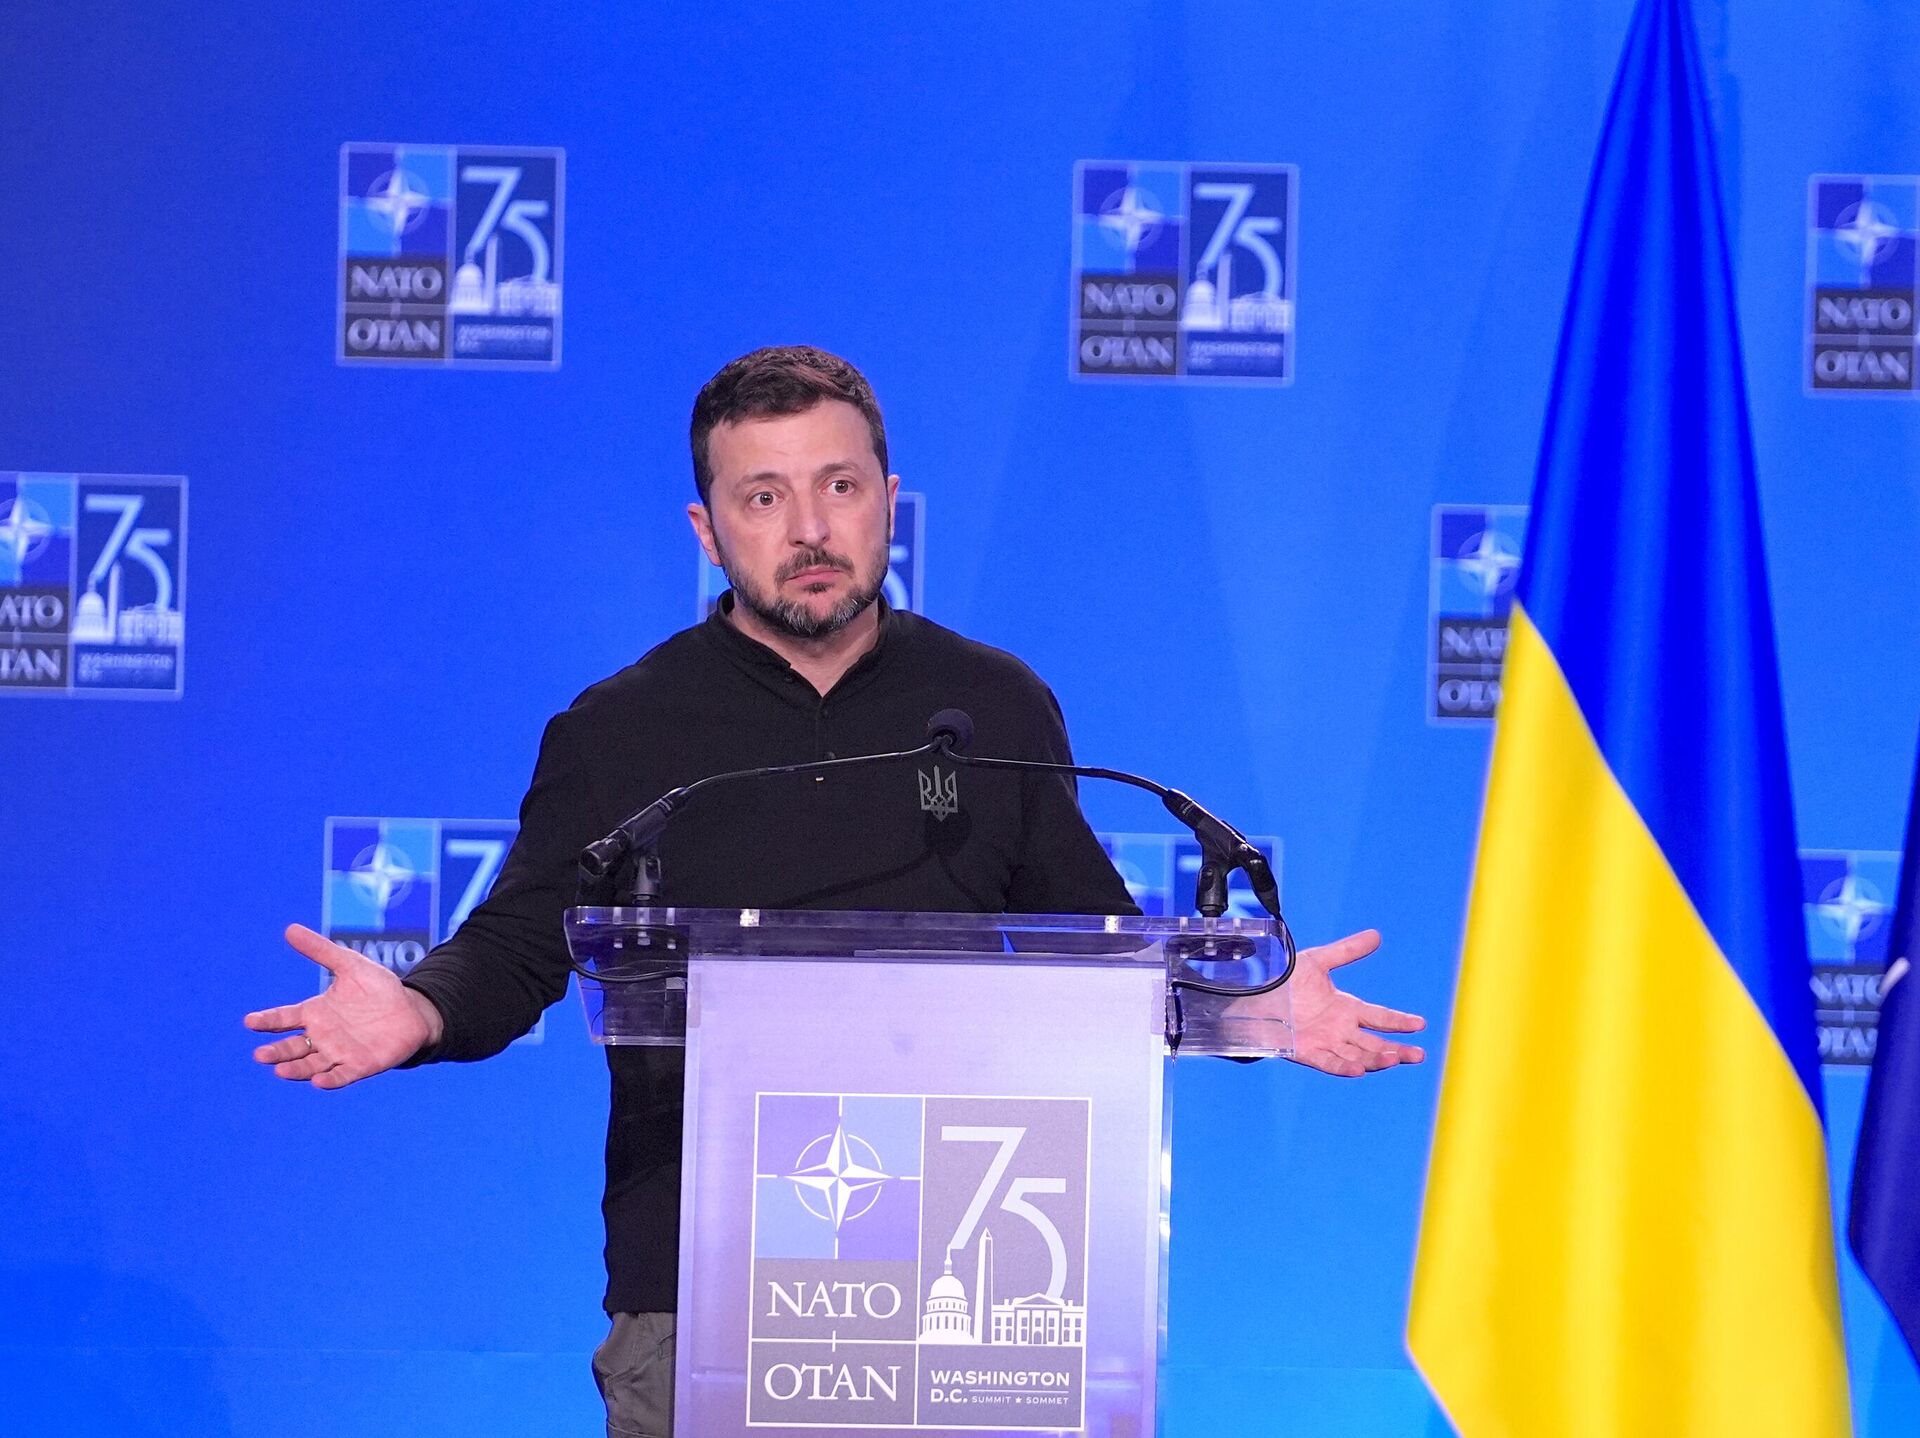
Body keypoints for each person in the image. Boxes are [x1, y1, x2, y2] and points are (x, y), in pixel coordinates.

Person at [244, 345, 1426, 1438]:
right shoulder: (620, 730)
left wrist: (1249, 1007)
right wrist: (421, 1007)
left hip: (962, 1294)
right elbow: (517, 942)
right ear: (708, 530)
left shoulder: (991, 706)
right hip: (702, 1292)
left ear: (889, 498)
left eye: (839, 487)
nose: (809, 529)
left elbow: (1100, 956)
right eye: (763, 497)